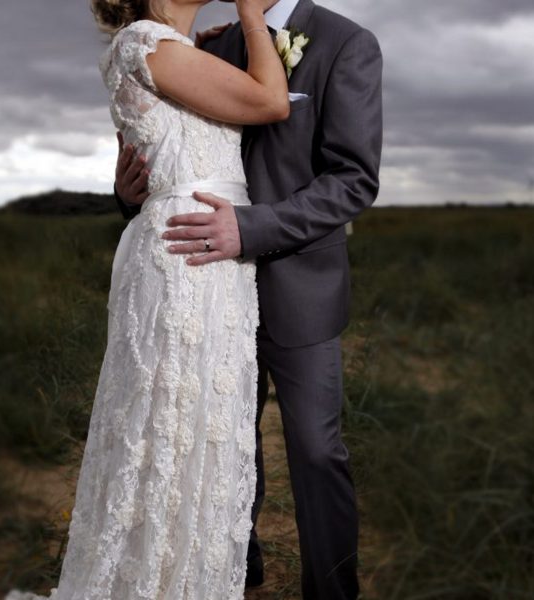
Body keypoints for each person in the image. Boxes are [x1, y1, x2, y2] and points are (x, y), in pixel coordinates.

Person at [3, 0, 290, 598]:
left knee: (200, 423)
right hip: (186, 260)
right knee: (169, 421)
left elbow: (160, 148)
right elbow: (270, 103)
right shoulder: (145, 42)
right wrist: (251, 10)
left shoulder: (177, 48)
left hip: (214, 258)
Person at [114, 0, 383, 598]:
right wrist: (129, 190)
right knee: (223, 434)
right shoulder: (206, 43)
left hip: (299, 285)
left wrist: (253, 228)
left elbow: (355, 178)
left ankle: (332, 590)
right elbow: (172, 147)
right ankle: (236, 567)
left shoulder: (346, 43)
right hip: (205, 283)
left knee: (315, 449)